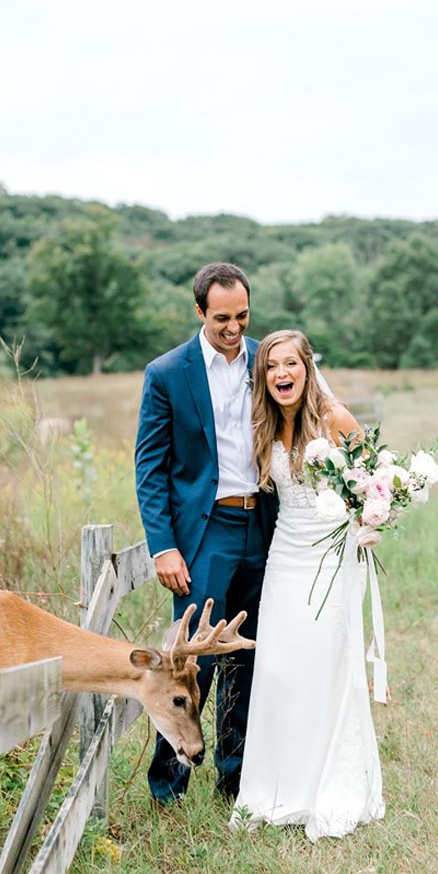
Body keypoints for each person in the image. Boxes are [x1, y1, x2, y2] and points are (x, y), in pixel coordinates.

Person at [231, 329, 385, 840]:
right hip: (286, 558)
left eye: (291, 364)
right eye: (272, 365)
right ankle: (275, 786)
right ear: (264, 376)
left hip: (332, 559)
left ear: (307, 367)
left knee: (323, 667)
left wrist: (371, 520)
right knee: (277, 669)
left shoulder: (334, 418)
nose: (281, 374)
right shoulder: (264, 425)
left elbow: (374, 477)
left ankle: (324, 785)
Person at [135, 262, 278, 805]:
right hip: (205, 533)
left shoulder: (268, 358)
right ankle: (167, 790)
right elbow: (150, 468)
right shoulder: (168, 372)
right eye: (222, 318)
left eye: (243, 316)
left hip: (265, 526)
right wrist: (163, 545)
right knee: (192, 666)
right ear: (200, 311)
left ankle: (235, 785)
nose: (234, 328)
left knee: (250, 658)